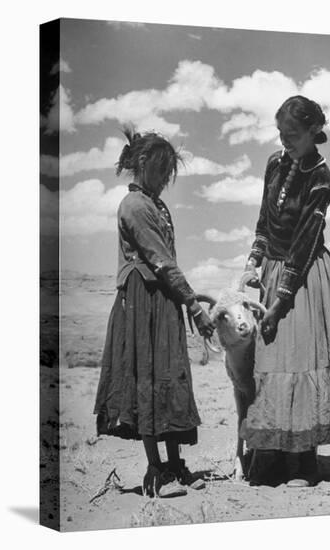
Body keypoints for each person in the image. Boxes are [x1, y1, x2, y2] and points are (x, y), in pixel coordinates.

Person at [240, 95, 330, 487]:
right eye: (280, 133)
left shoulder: (321, 177)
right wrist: (252, 263)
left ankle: (306, 463)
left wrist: (279, 303)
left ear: (313, 131)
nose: (284, 140)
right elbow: (263, 219)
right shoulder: (274, 164)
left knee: (301, 362)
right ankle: (274, 457)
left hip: (304, 277)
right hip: (274, 271)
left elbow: (306, 242)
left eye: (291, 134)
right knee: (271, 364)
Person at [93, 125, 214, 498]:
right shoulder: (134, 206)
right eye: (161, 172)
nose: (164, 181)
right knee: (146, 377)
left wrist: (184, 299)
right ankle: (154, 469)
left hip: (161, 300)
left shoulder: (154, 205)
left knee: (168, 375)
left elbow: (164, 261)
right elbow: (160, 260)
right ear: (143, 163)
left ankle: (175, 464)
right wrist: (192, 303)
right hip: (142, 302)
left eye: (168, 175)